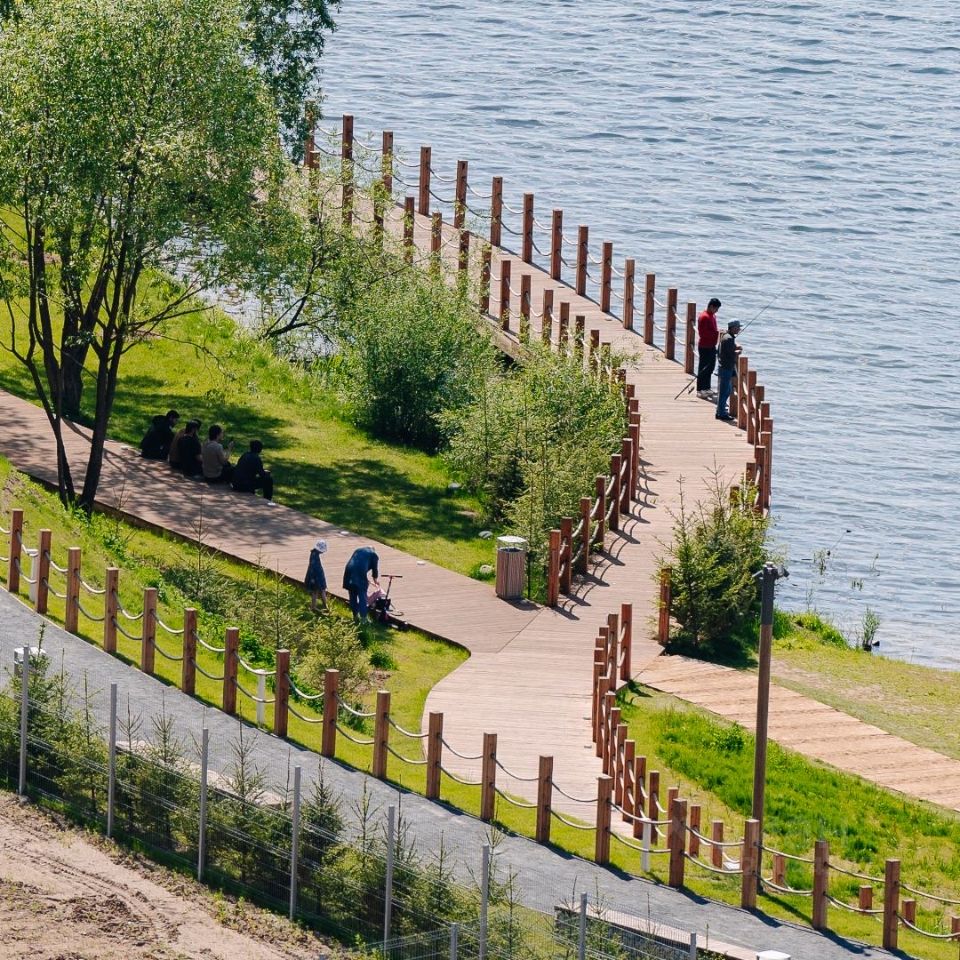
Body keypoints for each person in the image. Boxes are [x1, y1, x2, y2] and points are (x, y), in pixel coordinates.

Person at [342, 546, 379, 622]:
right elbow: (375, 569)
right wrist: (375, 580)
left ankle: (355, 616)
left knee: (352, 594)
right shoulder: (374, 555)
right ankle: (363, 618)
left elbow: (358, 564)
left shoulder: (358, 550)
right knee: (362, 596)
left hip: (348, 571)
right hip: (359, 573)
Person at [715, 320, 742, 422]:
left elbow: (727, 350)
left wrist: (735, 347)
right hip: (726, 368)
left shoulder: (725, 336)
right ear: (733, 328)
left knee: (727, 390)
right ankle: (721, 413)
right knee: (725, 392)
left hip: (724, 367)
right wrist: (738, 352)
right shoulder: (729, 339)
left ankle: (720, 411)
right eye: (738, 327)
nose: (739, 329)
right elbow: (731, 354)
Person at [696, 298, 721, 399]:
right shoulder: (704, 317)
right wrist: (717, 333)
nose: (717, 311)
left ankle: (707, 387)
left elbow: (713, 330)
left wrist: (717, 333)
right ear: (711, 306)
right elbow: (703, 333)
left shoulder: (712, 316)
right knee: (703, 368)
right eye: (716, 308)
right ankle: (700, 389)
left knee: (710, 367)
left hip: (711, 345)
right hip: (704, 346)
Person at [305, 539, 328, 612]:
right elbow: (313, 567)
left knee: (320, 590)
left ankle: (323, 606)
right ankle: (315, 606)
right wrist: (312, 578)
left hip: (318, 575)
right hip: (317, 576)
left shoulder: (314, 554)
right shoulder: (314, 556)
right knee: (316, 591)